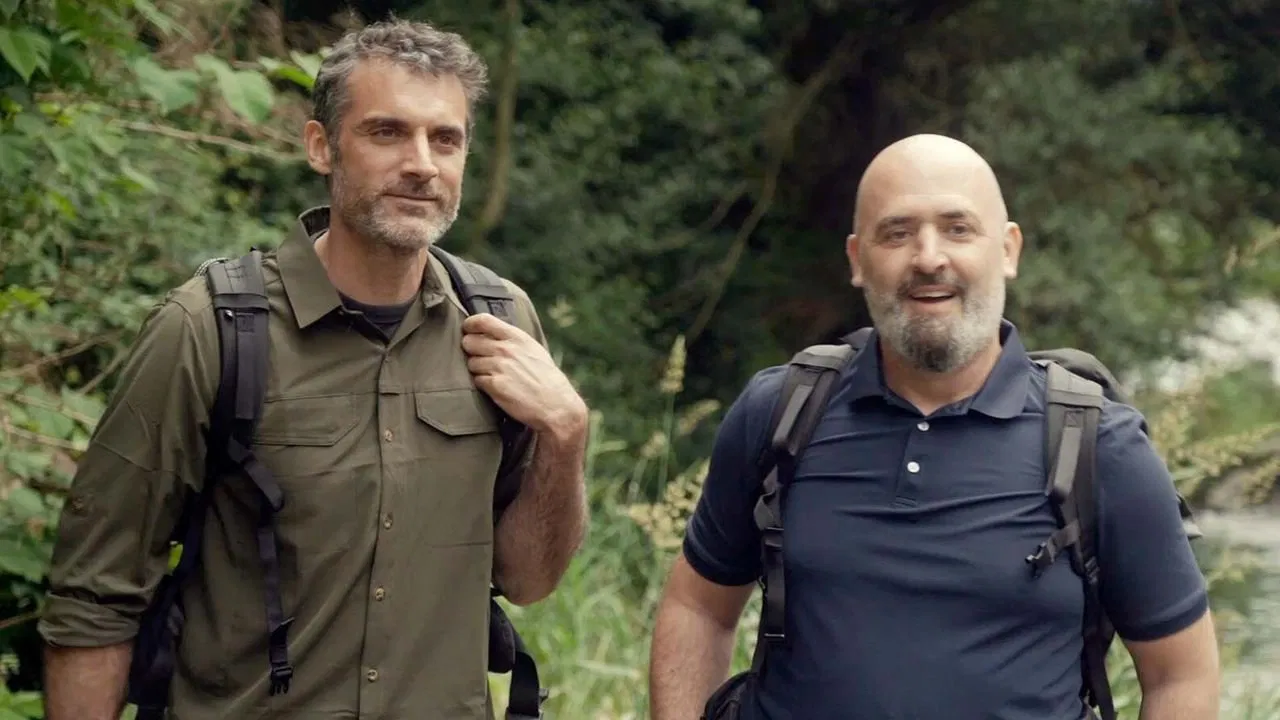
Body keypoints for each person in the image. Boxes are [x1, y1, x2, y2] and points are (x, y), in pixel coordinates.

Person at [38, 19, 589, 720]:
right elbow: (95, 597)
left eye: (445, 139)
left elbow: (528, 580)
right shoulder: (208, 330)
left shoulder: (500, 321)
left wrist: (566, 436)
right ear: (321, 146)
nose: (421, 164)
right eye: (387, 132)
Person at [648, 133, 1220, 720]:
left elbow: (1180, 675)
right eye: (897, 233)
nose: (928, 258)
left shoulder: (1100, 448)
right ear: (857, 260)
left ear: (1008, 250)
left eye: (957, 228)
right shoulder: (783, 413)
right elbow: (699, 608)